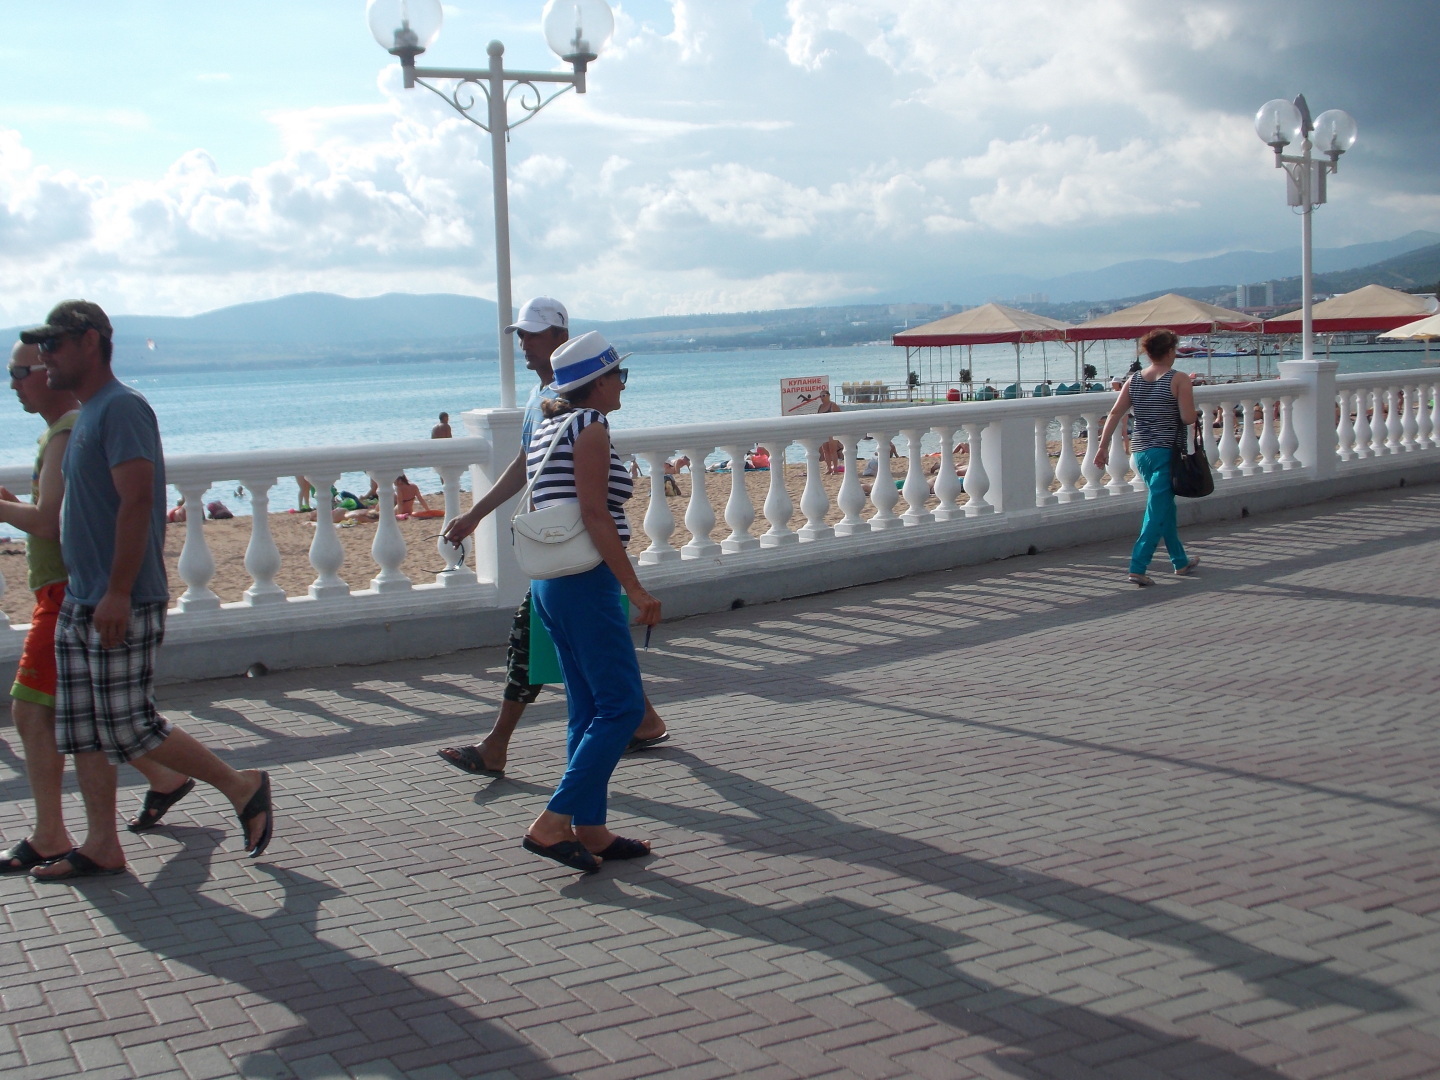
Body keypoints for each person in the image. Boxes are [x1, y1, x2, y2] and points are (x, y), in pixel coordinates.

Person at [22, 301, 274, 879]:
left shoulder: (122, 409)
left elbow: (138, 502)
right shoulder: (88, 414)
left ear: (89, 342)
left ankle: (243, 785)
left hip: (120, 599)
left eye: (53, 345)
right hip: (80, 596)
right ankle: (102, 844)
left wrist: (116, 591)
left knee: (130, 725)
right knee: (83, 728)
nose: (43, 358)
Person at [438, 298, 668, 778]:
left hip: (568, 554)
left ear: (559, 338)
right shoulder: (554, 406)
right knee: (578, 659)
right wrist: (478, 513)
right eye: (520, 334)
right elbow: (535, 470)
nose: (522, 343)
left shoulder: (573, 412)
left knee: (558, 654)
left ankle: (509, 752)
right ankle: (631, 727)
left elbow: (574, 494)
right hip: (566, 554)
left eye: (531, 334)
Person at [0, 342, 193, 873]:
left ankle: (52, 833)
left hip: (71, 591)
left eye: (20, 371)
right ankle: (164, 783)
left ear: (52, 369)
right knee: (95, 719)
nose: (12, 382)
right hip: (69, 590)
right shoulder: (67, 429)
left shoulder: (74, 427)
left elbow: (54, 521)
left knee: (45, 713)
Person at [515, 331, 661, 873]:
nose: (622, 384)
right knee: (622, 707)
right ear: (597, 383)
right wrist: (635, 589)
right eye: (618, 375)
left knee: (586, 709)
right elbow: (597, 515)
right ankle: (553, 824)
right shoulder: (592, 427)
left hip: (551, 582)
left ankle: (591, 829)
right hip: (587, 580)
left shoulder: (549, 424)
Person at [1094, 328, 1201, 587]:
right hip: (1166, 451)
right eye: (1174, 349)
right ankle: (1137, 566)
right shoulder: (1179, 379)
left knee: (1164, 506)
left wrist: (1102, 446)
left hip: (1140, 452)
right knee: (1156, 509)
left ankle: (1180, 560)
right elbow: (1188, 418)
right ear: (1169, 351)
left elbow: (1115, 413)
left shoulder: (1135, 380)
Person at [817, 389, 843, 475]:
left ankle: (835, 468)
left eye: (823, 396)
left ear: (828, 396)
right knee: (825, 450)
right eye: (820, 396)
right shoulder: (820, 407)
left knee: (833, 450)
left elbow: (840, 417)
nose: (822, 398)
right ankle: (829, 468)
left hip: (833, 430)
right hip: (824, 430)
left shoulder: (833, 406)